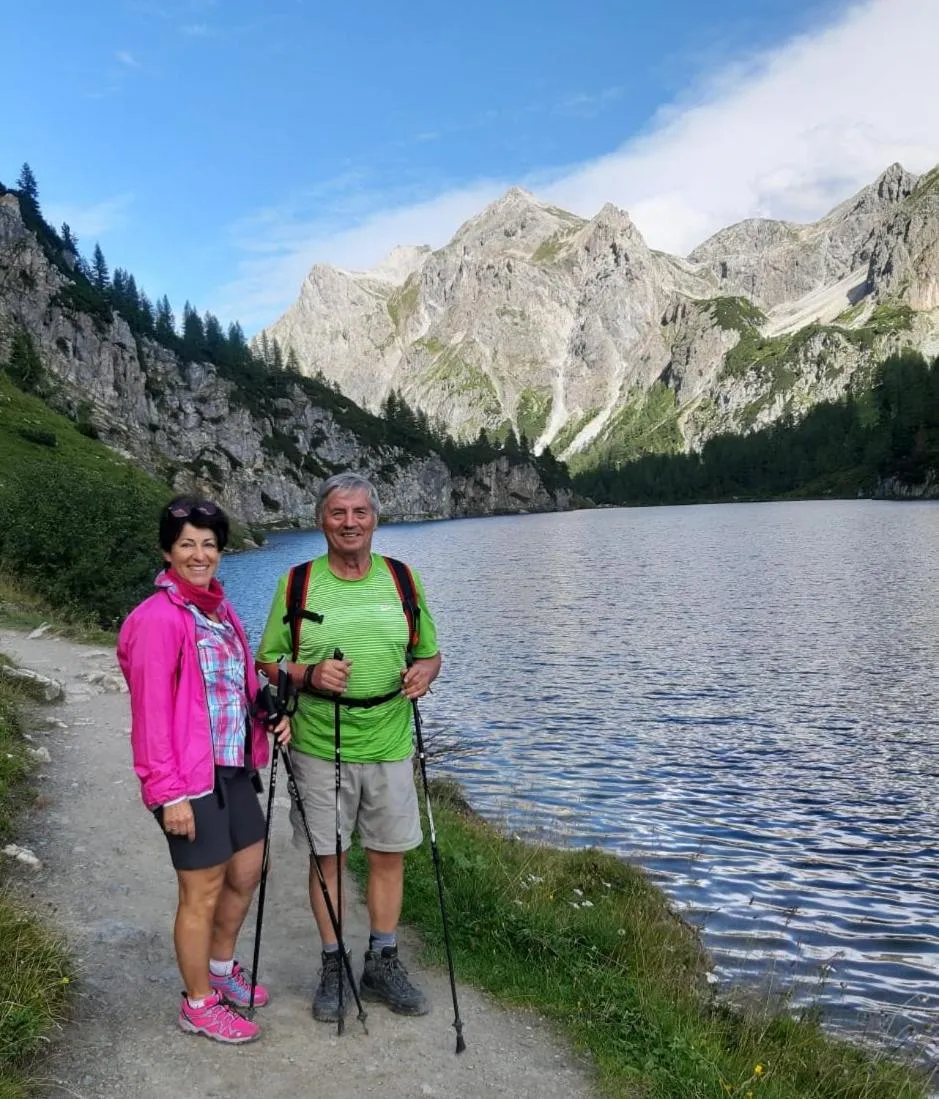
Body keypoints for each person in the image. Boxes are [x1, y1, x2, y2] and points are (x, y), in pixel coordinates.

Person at [256, 472, 441, 1023]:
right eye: (338, 513)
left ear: (375, 519)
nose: (350, 523)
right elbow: (267, 660)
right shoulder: (296, 584)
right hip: (317, 744)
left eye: (360, 512)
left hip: (389, 743)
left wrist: (424, 674)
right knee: (328, 857)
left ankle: (382, 960)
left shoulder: (404, 581)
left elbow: (429, 653)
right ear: (321, 521)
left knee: (388, 854)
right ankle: (334, 963)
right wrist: (308, 674)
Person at [117, 494, 291, 1045]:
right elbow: (150, 716)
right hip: (187, 780)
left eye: (209, 544)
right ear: (167, 550)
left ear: (221, 550)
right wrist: (167, 794)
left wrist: (265, 711)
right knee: (202, 889)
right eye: (187, 543)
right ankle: (197, 1004)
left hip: (233, 767)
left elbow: (227, 692)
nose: (199, 554)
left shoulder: (220, 610)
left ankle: (220, 971)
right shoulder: (156, 620)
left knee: (247, 870)